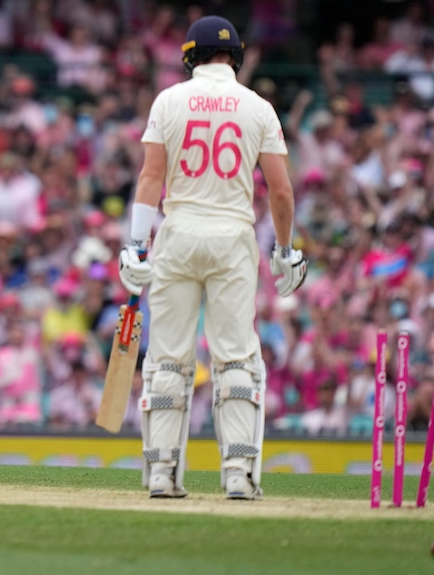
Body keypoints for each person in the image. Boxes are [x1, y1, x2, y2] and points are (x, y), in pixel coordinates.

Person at [118, 15, 306, 500]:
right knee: (236, 357)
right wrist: (285, 251)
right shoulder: (257, 106)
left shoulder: (169, 100)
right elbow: (281, 193)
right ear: (236, 56)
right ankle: (239, 476)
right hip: (232, 238)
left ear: (188, 55)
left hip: (178, 234)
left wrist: (137, 246)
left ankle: (162, 474)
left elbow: (150, 179)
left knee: (168, 358)